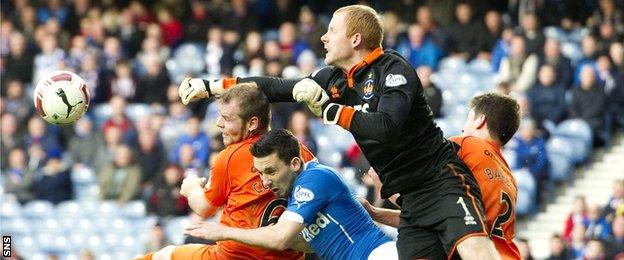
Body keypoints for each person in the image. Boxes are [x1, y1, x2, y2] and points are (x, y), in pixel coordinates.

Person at [179, 5, 497, 259]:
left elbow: (386, 127)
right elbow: (275, 88)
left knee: (475, 250)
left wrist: (331, 111)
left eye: (332, 30)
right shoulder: (334, 79)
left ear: (355, 39)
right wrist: (213, 85)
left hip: (440, 180)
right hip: (411, 200)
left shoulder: (394, 69)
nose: (324, 38)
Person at [142, 83, 314, 260]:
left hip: (234, 256)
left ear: (252, 123)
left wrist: (191, 187)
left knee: (163, 255)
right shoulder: (302, 153)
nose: (219, 124)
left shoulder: (232, 156)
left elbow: (204, 208)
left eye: (227, 118)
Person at [184, 129, 397, 259]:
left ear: (295, 163)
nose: (266, 181)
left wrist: (224, 232)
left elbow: (280, 238)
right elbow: (305, 242)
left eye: (271, 171)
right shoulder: (295, 195)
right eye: (261, 173)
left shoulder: (313, 179)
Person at [359, 93, 522, 259]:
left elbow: (420, 205)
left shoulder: (465, 145)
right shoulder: (509, 178)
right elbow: (432, 218)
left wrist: (385, 180)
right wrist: (375, 213)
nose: (462, 128)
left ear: (480, 121)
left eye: (468, 118)